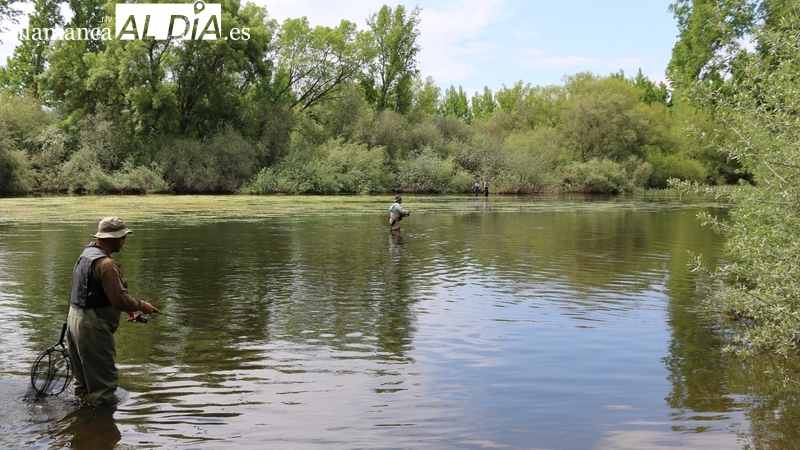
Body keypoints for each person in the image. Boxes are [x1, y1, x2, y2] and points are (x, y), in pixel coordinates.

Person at [66, 216, 159, 404]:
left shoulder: (85, 255)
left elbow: (96, 293)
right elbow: (119, 300)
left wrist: (129, 311)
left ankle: (79, 426)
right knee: (104, 388)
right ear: (114, 238)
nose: (124, 241)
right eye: (123, 236)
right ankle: (102, 427)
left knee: (81, 383)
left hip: (74, 322)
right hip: (93, 327)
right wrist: (142, 306)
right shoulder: (107, 265)